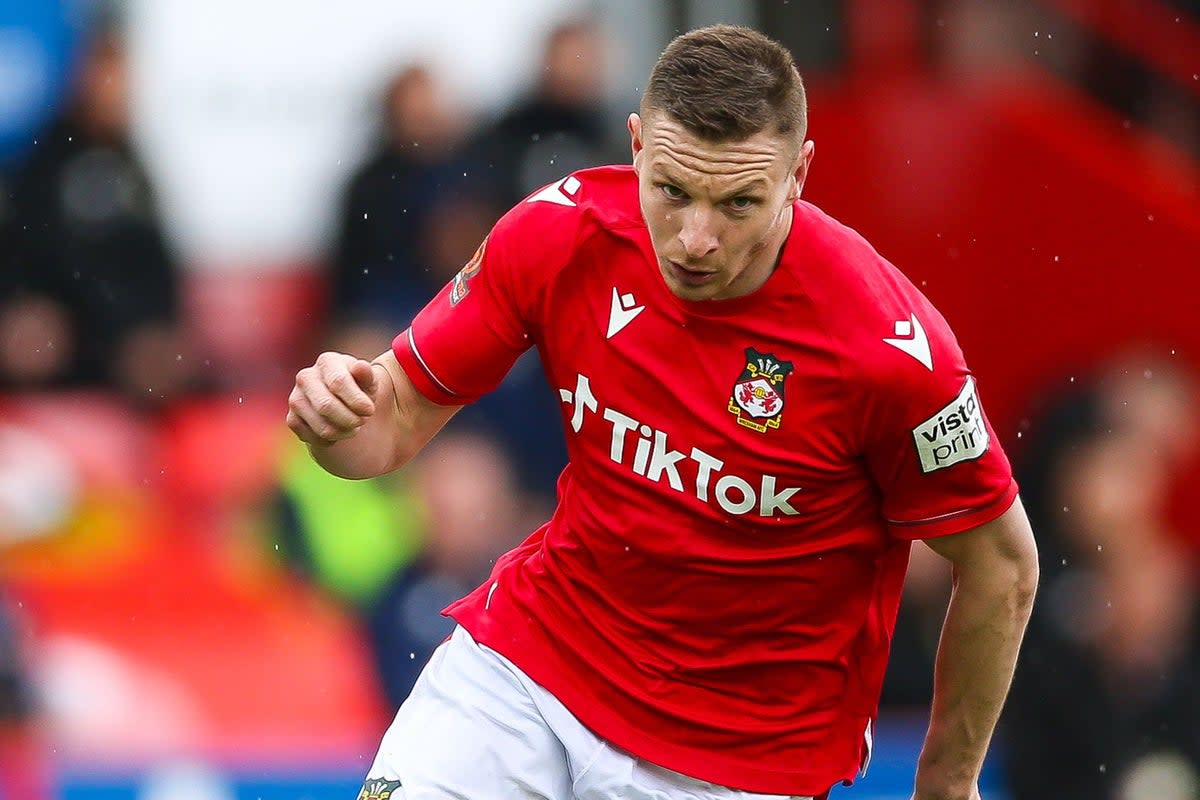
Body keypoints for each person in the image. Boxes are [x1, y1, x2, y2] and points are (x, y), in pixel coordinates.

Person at [287, 25, 1038, 800]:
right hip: (528, 674)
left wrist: (948, 782)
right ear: (638, 145)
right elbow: (391, 424)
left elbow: (1003, 565)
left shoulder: (891, 349)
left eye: (738, 202)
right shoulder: (560, 230)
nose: (695, 239)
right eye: (672, 191)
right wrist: (338, 421)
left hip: (735, 761)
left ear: (800, 174)